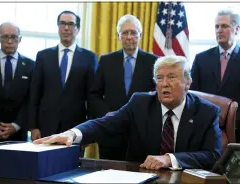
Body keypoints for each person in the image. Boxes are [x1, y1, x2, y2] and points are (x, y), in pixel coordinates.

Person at [34, 55, 222, 171]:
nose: (164, 83)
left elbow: (213, 155)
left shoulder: (207, 112)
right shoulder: (140, 103)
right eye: (159, 78)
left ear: (188, 82)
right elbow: (105, 124)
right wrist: (72, 134)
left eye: (171, 77)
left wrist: (169, 159)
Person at [89, 14, 158, 161]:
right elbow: (94, 94)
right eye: (125, 32)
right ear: (118, 36)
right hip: (111, 133)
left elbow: (158, 96)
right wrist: (106, 114)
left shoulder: (153, 61)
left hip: (141, 134)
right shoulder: (106, 60)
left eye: (133, 32)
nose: (129, 37)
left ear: (140, 35)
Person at [190, 9, 240, 143]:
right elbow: (193, 95)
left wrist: (230, 123)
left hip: (237, 134)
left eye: (224, 26)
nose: (219, 30)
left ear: (237, 29)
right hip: (203, 132)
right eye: (216, 26)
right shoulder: (201, 58)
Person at [29, 10, 98, 141]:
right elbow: (34, 94)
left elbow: (92, 98)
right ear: (58, 27)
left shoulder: (89, 57)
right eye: (62, 24)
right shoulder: (43, 56)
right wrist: (33, 127)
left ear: (77, 29)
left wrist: (89, 131)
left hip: (75, 129)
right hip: (45, 126)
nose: (66, 28)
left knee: (72, 162)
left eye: (71, 24)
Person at [0, 22, 34, 142]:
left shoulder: (31, 65)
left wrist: (16, 125)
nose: (9, 41)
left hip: (18, 134)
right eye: (5, 37)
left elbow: (31, 100)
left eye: (13, 37)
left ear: (20, 39)